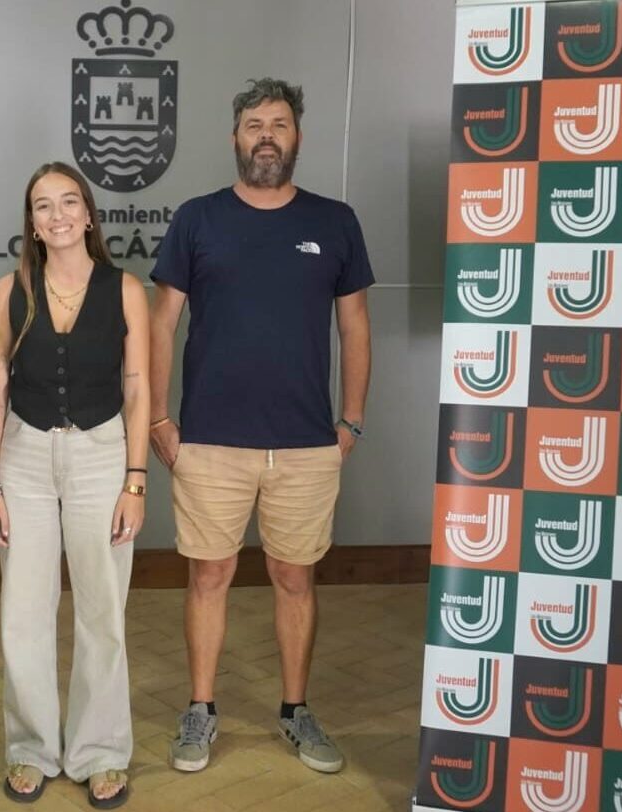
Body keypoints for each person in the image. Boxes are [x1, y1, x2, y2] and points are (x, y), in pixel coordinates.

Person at [148, 78, 374, 775]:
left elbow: (355, 325)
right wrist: (158, 417)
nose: (267, 135)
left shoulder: (335, 221)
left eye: (279, 123)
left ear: (296, 137)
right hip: (209, 440)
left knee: (294, 578)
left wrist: (351, 421)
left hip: (306, 444)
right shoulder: (198, 218)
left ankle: (295, 710)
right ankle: (200, 709)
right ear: (235, 138)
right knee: (209, 576)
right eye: (254, 124)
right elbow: (160, 323)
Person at [0, 162, 150, 807]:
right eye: (43, 206)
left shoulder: (125, 289)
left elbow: (139, 388)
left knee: (102, 611)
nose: (58, 215)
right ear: (33, 222)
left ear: (87, 213)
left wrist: (136, 481)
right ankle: (30, 747)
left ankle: (99, 751)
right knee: (23, 613)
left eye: (69, 202)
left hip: (103, 456)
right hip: (23, 456)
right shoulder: (9, 290)